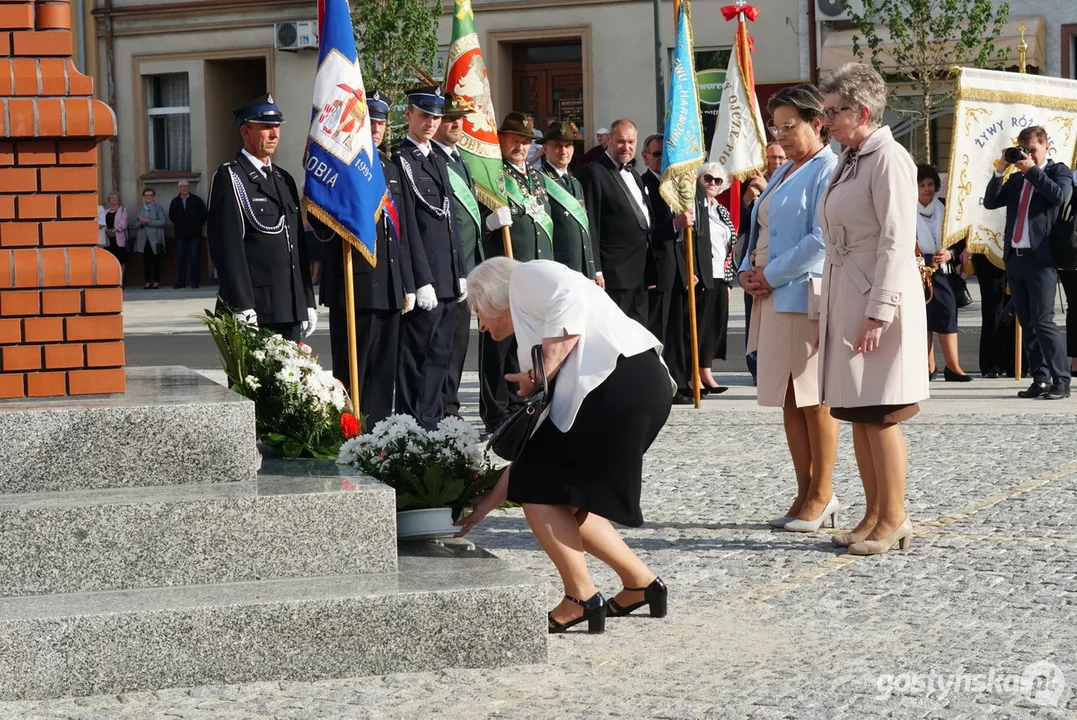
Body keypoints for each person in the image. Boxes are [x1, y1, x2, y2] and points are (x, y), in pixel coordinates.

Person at [455, 257, 674, 634]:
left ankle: (581, 597)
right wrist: (487, 502)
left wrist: (540, 372)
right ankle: (640, 584)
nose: (484, 328)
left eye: (478, 313)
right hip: (632, 385)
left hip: (617, 383)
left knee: (542, 491)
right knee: (565, 490)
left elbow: (569, 291)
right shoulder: (531, 322)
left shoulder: (526, 275)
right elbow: (536, 448)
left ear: (491, 295)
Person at [817, 62, 928, 555]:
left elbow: (896, 240)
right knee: (859, 409)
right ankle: (874, 512)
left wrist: (880, 312)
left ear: (862, 111)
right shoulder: (853, 156)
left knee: (881, 410)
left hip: (876, 298)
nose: (827, 121)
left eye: (834, 112)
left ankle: (896, 516)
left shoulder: (888, 159)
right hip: (849, 293)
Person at [739, 84, 840, 533]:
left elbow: (821, 238)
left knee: (812, 397)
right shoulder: (783, 170)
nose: (780, 135)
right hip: (770, 294)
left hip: (801, 293)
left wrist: (771, 274)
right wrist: (745, 269)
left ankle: (824, 492)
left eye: (788, 126)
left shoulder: (827, 168)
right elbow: (758, 223)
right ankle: (803, 491)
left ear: (817, 123)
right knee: (786, 396)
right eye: (776, 127)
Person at [314, 90, 415, 427]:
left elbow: (402, 231)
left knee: (384, 372)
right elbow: (319, 224)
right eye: (369, 121)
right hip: (354, 286)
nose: (376, 128)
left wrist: (407, 282)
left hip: (388, 284)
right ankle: (352, 434)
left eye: (382, 122)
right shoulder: (340, 166)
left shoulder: (389, 165)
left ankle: (378, 434)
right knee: (353, 371)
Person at [207, 93, 316, 342]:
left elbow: (296, 246)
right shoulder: (231, 178)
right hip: (255, 309)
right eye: (266, 127)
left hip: (288, 306)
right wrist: (241, 304)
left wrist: (306, 300)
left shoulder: (283, 179)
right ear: (246, 131)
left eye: (277, 127)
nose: (274, 134)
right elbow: (227, 250)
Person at [392, 85, 467, 430]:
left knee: (441, 356)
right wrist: (420, 279)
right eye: (424, 115)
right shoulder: (401, 161)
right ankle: (413, 424)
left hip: (448, 277)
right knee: (417, 359)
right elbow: (407, 225)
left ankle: (433, 421)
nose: (431, 123)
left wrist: (460, 271)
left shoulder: (437, 160)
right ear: (408, 114)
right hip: (427, 280)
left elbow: (450, 221)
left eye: (436, 117)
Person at [476, 112, 553, 434]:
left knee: (523, 343)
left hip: (531, 273)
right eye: (515, 140)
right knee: (496, 343)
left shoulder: (534, 178)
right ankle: (494, 411)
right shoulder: (492, 176)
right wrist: (490, 223)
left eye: (525, 141)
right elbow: (472, 224)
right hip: (502, 273)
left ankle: (518, 403)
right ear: (502, 140)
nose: (521, 146)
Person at [983, 125, 1073, 400]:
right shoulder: (1017, 179)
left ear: (1046, 147)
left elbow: (1059, 196)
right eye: (1024, 150)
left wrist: (1031, 169)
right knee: (1027, 322)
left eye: (1033, 150)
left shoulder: (1058, 171)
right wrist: (1000, 169)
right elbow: (990, 202)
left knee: (1044, 321)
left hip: (1042, 258)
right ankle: (1041, 378)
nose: (1027, 155)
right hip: (1015, 257)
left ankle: (1062, 380)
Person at [432, 92, 485, 420]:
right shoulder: (431, 160)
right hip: (442, 270)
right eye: (449, 118)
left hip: (466, 266)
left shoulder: (460, 161)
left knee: (457, 347)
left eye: (459, 118)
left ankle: (450, 407)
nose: (455, 124)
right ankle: (435, 409)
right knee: (437, 348)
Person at [579, 119, 653, 326]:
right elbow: (590, 225)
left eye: (631, 142)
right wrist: (596, 270)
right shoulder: (594, 173)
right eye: (621, 141)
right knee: (614, 334)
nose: (626, 147)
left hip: (640, 272)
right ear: (609, 140)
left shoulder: (635, 174)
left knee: (638, 334)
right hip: (613, 274)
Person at [639, 133, 695, 363]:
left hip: (678, 268)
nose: (663, 159)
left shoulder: (676, 184)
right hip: (658, 268)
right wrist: (674, 224)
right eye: (658, 154)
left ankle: (680, 381)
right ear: (645, 157)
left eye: (667, 153)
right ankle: (660, 379)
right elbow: (645, 229)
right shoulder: (643, 184)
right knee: (658, 328)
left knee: (678, 330)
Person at [915, 163, 970, 382]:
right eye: (921, 185)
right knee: (922, 320)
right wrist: (925, 258)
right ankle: (928, 367)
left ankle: (953, 367)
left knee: (948, 316)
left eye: (930, 184)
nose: (927, 189)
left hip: (944, 272)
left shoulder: (945, 208)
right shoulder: (904, 210)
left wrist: (950, 254)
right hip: (917, 272)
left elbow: (960, 238)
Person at [739, 142, 788, 383]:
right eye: (771, 157)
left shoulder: (791, 181)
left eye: (780, 157)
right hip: (754, 259)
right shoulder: (750, 185)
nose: (776, 162)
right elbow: (738, 226)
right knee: (754, 315)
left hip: (780, 262)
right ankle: (756, 365)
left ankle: (776, 365)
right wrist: (747, 200)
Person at [539, 121, 600, 282]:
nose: (563, 151)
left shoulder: (575, 182)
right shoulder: (539, 180)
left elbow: (584, 228)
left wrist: (592, 269)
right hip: (560, 267)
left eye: (568, 145)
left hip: (582, 266)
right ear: (545, 149)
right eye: (558, 145)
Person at [695, 163, 736, 396]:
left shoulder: (721, 210)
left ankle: (706, 372)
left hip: (720, 277)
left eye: (717, 181)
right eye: (708, 178)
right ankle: (693, 374)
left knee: (713, 327)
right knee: (698, 326)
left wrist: (728, 281)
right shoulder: (694, 207)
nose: (712, 183)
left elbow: (728, 246)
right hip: (701, 275)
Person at [168, 180, 208, 289]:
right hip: (180, 234)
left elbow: (203, 214)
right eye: (182, 186)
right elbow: (172, 216)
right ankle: (181, 282)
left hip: (194, 234)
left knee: (194, 258)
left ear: (189, 188)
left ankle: (195, 282)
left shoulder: (196, 200)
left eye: (186, 186)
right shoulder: (175, 201)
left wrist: (196, 225)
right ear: (179, 188)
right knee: (181, 258)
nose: (185, 188)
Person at [134, 188, 167, 289]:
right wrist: (140, 223)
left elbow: (163, 222)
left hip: (155, 239)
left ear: (153, 197)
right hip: (144, 239)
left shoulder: (158, 208)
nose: (148, 197)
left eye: (150, 195)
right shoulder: (140, 208)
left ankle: (156, 281)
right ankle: (147, 281)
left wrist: (148, 221)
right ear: (143, 197)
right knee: (146, 261)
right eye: (146, 195)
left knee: (156, 261)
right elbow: (135, 223)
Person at [99, 192, 128, 283]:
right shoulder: (105, 211)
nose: (113, 199)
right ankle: (111, 280)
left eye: (115, 198)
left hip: (118, 238)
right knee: (109, 260)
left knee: (121, 260)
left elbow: (124, 222)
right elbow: (102, 222)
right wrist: (107, 231)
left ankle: (120, 281)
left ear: (119, 199)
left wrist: (115, 230)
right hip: (108, 239)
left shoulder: (123, 210)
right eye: (111, 198)